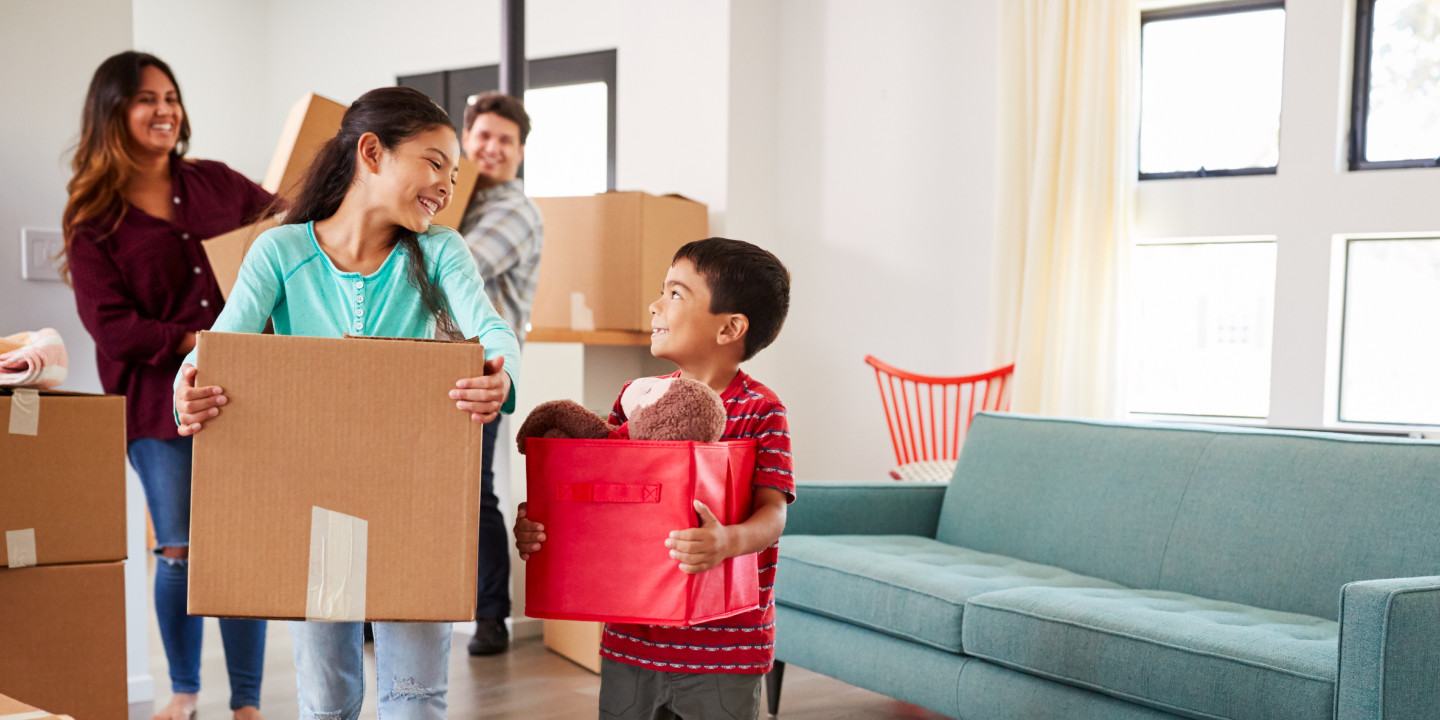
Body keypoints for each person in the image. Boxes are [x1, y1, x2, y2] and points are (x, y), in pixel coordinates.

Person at [172, 86, 520, 720]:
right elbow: (218, 349)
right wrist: (187, 391)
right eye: (434, 163)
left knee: (415, 698)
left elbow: (494, 331)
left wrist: (500, 374)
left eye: (454, 173)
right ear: (371, 153)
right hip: (313, 504)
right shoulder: (280, 251)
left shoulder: (440, 251)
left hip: (412, 497)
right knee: (328, 698)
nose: (446, 186)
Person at [63, 50, 272, 720]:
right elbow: (113, 327)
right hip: (157, 409)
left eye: (171, 98)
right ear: (112, 113)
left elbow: (287, 230)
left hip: (248, 397)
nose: (164, 111)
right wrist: (195, 341)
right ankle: (184, 691)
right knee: (179, 548)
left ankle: (245, 703)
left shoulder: (217, 183)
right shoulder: (93, 216)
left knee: (239, 548)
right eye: (146, 99)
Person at [515, 238, 794, 720]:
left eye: (676, 293)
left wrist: (727, 541)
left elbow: (774, 512)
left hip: (724, 651)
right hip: (631, 640)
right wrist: (544, 523)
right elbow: (602, 494)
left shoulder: (762, 410)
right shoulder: (635, 397)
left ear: (730, 327)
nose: (655, 305)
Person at [456, 91, 544, 656]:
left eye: (504, 140)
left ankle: (492, 615)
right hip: (422, 362)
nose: (491, 148)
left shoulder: (515, 211)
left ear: (519, 153)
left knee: (476, 491)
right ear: (466, 140)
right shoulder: (453, 201)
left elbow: (460, 264)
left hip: (479, 366)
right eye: (482, 136)